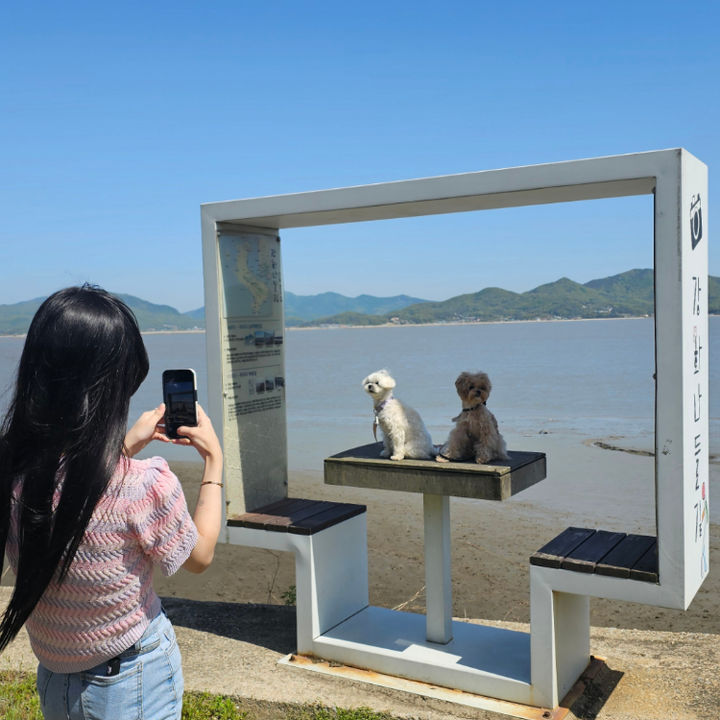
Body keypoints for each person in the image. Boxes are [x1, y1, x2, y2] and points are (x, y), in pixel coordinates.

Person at [0, 285, 224, 720]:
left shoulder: (13, 469)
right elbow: (199, 556)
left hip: (55, 675)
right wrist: (214, 462)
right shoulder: (143, 484)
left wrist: (120, 447)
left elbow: (74, 495)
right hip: (131, 677)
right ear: (113, 386)